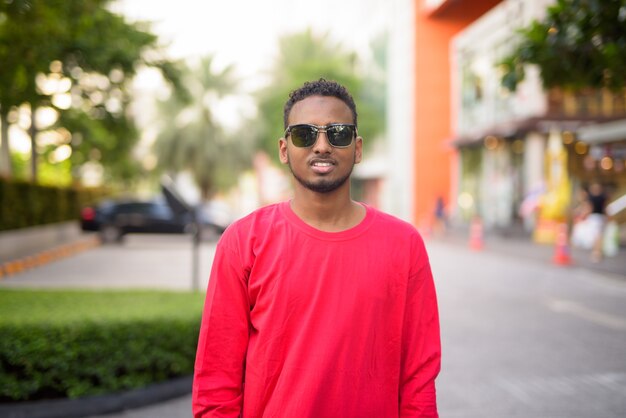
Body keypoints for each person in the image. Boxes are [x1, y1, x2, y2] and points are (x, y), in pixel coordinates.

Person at [192, 79, 441, 417]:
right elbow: (216, 379)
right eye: (304, 135)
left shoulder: (404, 244)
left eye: (338, 133)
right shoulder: (243, 241)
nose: (322, 146)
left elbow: (419, 377)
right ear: (284, 149)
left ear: (357, 147)